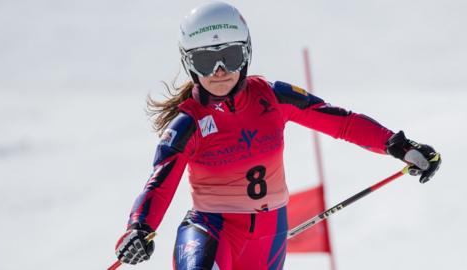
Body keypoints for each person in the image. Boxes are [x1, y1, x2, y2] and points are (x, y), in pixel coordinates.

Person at [113, 1, 441, 269]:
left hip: (270, 240)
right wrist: (139, 227)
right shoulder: (189, 124)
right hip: (211, 232)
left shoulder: (272, 97)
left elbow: (342, 122)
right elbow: (159, 184)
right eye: (205, 60)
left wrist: (397, 146)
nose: (219, 71)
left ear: (247, 54)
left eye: (229, 57)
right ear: (189, 64)